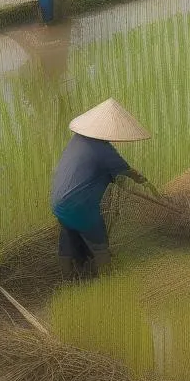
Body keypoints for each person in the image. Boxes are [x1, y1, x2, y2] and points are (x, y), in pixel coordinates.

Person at [50, 98, 154, 277]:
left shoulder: (77, 140)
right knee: (99, 243)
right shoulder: (104, 151)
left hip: (58, 202)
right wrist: (143, 181)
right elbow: (127, 172)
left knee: (69, 235)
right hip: (79, 207)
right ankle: (107, 279)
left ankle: (67, 279)